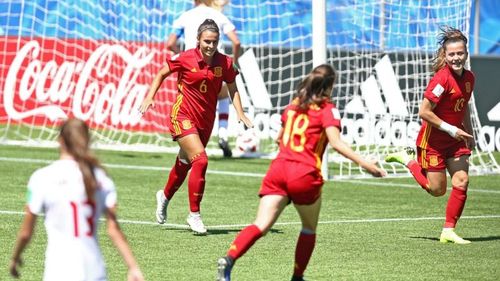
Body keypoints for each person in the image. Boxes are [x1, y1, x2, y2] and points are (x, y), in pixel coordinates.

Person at [216, 64, 386, 281]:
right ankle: (297, 277)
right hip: (304, 173)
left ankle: (229, 259)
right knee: (308, 228)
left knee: (260, 224)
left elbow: (279, 138)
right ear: (330, 85)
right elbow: (336, 143)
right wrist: (366, 164)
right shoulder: (327, 109)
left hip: (279, 169)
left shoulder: (293, 106)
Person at [140, 19, 252, 235]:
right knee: (201, 159)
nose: (210, 46)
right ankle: (194, 215)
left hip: (205, 120)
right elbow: (162, 72)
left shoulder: (225, 63)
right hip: (182, 115)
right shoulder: (185, 58)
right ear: (198, 40)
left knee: (185, 162)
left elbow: (232, 88)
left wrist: (240, 112)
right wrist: (150, 96)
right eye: (207, 41)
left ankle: (164, 196)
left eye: (215, 42)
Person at [9, 118, 144, 281]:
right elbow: (114, 230)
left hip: (59, 271)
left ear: (60, 141)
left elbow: (25, 233)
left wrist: (15, 258)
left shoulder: (42, 177)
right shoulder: (101, 178)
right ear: (87, 141)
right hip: (95, 271)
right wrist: (133, 267)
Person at [385, 26, 475, 244]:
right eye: (452, 54)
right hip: (433, 141)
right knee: (437, 190)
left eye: (460, 53)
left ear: (466, 53)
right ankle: (408, 160)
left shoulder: (470, 77)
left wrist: (470, 134)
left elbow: (464, 108)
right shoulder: (441, 80)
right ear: (445, 55)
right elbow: (424, 112)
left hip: (455, 141)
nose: (456, 58)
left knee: (462, 181)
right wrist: (452, 129)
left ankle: (448, 230)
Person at [167, 0, 241, 157]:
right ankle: (222, 134)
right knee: (222, 96)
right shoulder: (218, 16)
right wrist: (233, 63)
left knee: (189, 107)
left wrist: (181, 58)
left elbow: (170, 43)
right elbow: (236, 41)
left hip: (190, 70)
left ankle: (189, 140)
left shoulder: (185, 16)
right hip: (215, 68)